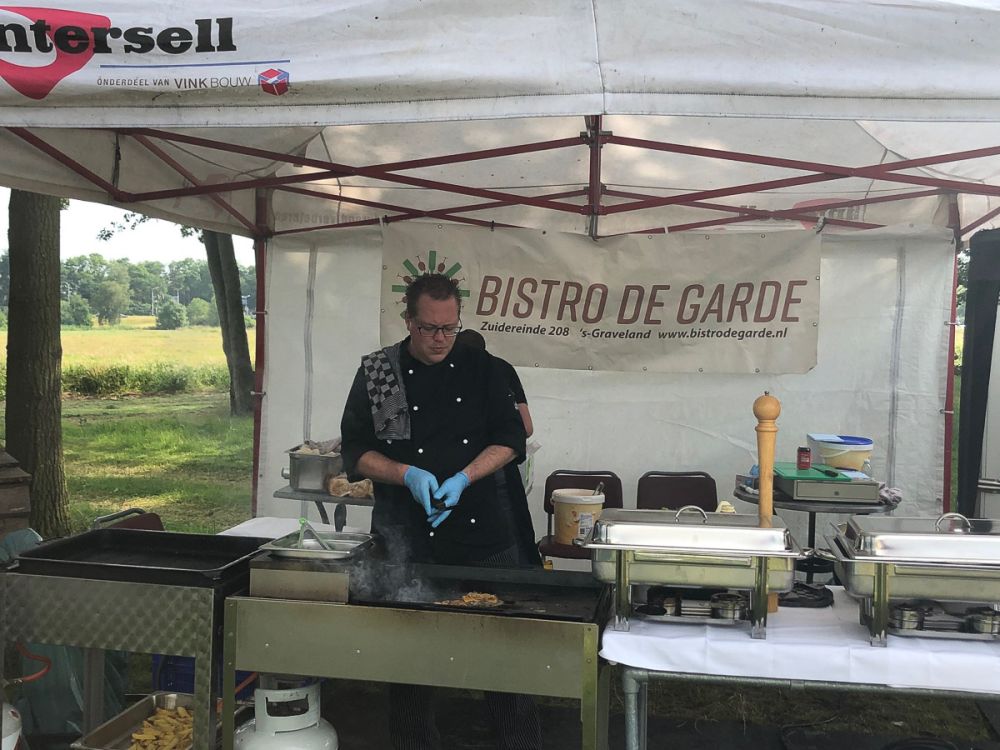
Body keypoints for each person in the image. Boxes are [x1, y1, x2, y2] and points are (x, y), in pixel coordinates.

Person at [339, 273, 541, 750]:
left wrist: (464, 477)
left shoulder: (486, 369)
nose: (439, 339)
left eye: (449, 328)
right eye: (428, 328)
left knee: (505, 649)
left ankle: (518, 742)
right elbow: (356, 451)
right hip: (407, 535)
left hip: (485, 530)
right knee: (411, 653)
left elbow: (512, 438)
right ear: (408, 320)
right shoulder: (380, 372)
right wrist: (406, 473)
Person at [455, 328, 541, 567]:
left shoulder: (446, 371)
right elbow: (526, 427)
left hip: (460, 472)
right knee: (511, 541)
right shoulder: (502, 368)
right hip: (499, 469)